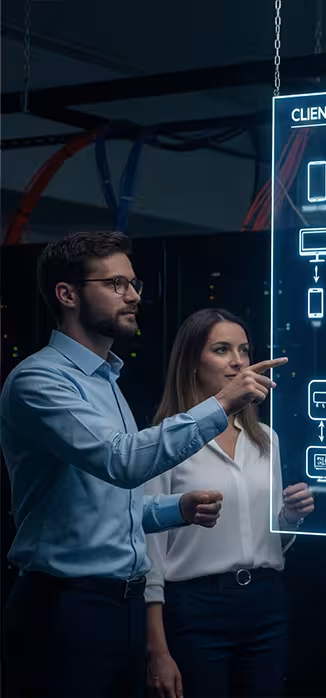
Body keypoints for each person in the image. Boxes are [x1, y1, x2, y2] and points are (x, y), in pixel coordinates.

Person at [0, 231, 284, 698]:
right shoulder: (39, 381)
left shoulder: (106, 380)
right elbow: (123, 462)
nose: (132, 296)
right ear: (68, 294)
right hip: (65, 608)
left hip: (119, 607)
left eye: (133, 284)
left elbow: (112, 502)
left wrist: (176, 510)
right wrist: (222, 404)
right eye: (115, 284)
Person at [143, 308, 315, 698]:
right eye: (222, 349)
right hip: (195, 607)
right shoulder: (164, 440)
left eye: (244, 349)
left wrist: (290, 516)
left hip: (266, 603)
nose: (238, 361)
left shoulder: (266, 439)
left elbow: (273, 540)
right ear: (191, 364)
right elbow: (149, 555)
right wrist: (156, 648)